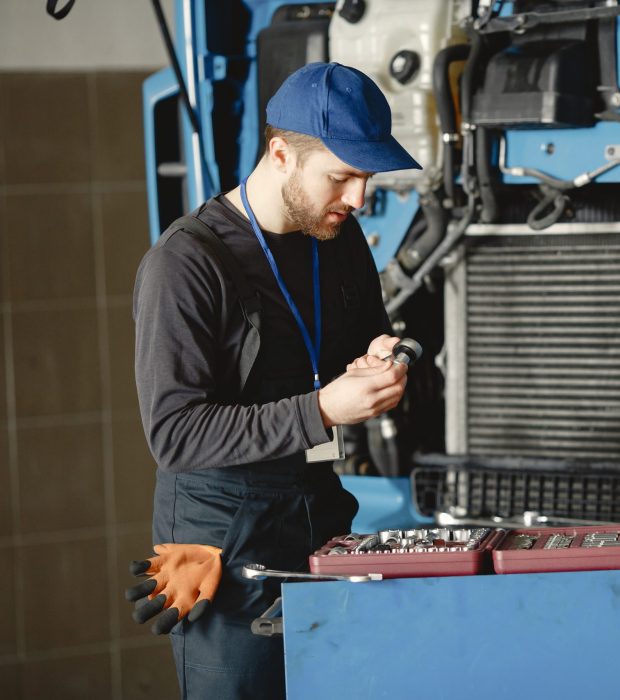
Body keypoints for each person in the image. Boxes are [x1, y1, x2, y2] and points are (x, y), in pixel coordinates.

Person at [126, 62, 420, 698]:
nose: (359, 198)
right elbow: (175, 436)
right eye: (341, 176)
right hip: (220, 554)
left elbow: (375, 335)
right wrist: (322, 409)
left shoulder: (338, 240)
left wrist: (392, 357)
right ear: (281, 154)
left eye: (366, 177)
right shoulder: (184, 265)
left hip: (319, 516)